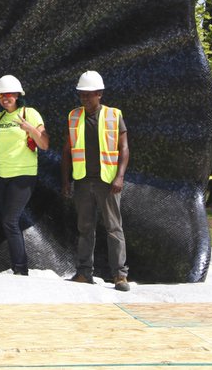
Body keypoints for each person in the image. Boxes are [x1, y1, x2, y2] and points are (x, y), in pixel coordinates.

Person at [61, 69, 130, 291]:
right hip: (82, 181)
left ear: (99, 93)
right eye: (81, 94)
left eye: (88, 94)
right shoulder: (73, 116)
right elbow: (67, 150)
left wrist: (119, 176)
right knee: (85, 228)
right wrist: (66, 181)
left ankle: (119, 276)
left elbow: (124, 148)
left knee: (114, 228)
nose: (84, 98)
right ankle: (84, 273)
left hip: (107, 182)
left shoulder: (113, 115)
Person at [0, 74, 49, 276]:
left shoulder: (29, 113)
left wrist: (30, 128)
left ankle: (21, 269)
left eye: (9, 94)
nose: (5, 98)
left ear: (17, 95)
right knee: (6, 221)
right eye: (1, 95)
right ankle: (17, 267)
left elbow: (44, 144)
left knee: (10, 220)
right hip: (0, 174)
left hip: (23, 174)